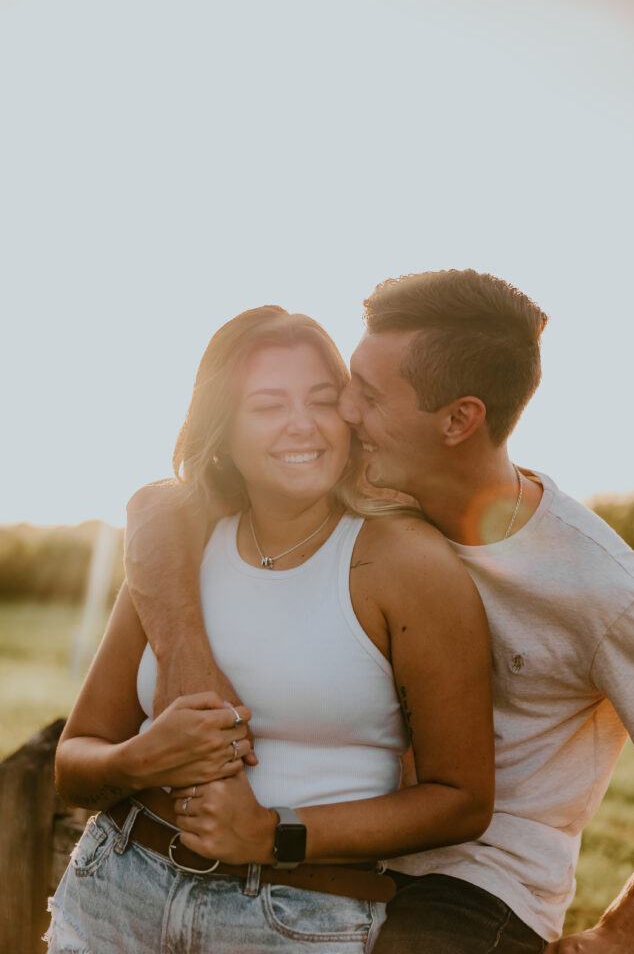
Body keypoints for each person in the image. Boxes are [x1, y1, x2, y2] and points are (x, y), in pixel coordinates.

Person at [124, 269, 634, 954]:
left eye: (368, 395)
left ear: (457, 419)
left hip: (471, 884)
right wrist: (186, 661)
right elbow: (156, 509)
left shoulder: (598, 587)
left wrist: (626, 930)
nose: (345, 412)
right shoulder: (371, 483)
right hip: (340, 836)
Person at [47, 305, 494, 954]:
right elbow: (74, 762)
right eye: (267, 405)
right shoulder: (176, 552)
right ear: (221, 428)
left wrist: (276, 832)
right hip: (118, 883)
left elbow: (461, 800)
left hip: (293, 917)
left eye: (321, 400)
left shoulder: (405, 563)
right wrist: (139, 759)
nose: (301, 425)